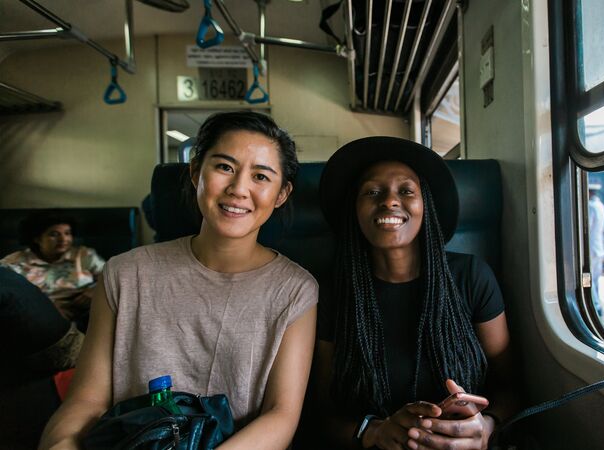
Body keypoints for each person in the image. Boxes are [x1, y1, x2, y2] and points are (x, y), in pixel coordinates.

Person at [39, 111, 318, 450]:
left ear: (281, 194)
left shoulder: (295, 291)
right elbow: (87, 400)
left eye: (261, 176)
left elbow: (280, 416)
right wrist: (61, 443)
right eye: (225, 167)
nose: (238, 189)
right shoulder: (126, 274)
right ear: (196, 171)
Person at [314, 137, 515, 450]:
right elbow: (319, 411)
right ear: (354, 209)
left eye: (406, 191)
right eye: (372, 192)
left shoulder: (472, 277)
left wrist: (487, 426)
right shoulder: (332, 292)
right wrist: (374, 432)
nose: (390, 201)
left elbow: (510, 385)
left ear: (426, 207)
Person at [1, 213, 105, 331]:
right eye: (54, 234)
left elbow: (112, 279)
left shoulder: (85, 255)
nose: (63, 239)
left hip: (85, 311)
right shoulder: (14, 262)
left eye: (67, 233)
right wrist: (47, 309)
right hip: (36, 315)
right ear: (37, 238)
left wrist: (94, 291)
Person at [587, 184, 604, 316]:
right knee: (595, 278)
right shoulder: (601, 206)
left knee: (587, 278)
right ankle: (597, 302)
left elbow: (586, 226)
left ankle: (595, 305)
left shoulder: (590, 207)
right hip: (599, 247)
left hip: (590, 249)